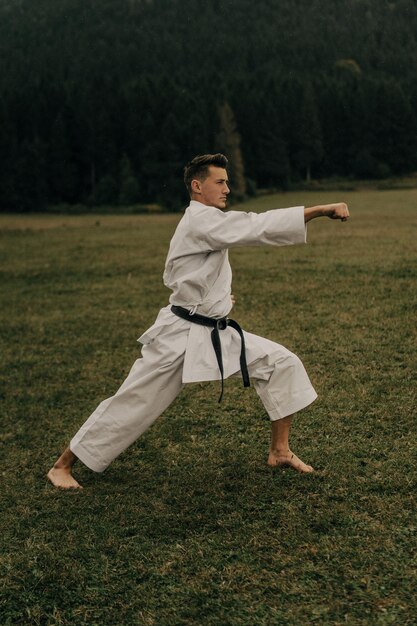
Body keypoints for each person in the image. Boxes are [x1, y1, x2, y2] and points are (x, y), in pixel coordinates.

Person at [48, 153, 349, 489]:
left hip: (214, 330)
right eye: (219, 182)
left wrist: (219, 301)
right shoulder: (201, 221)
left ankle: (279, 451)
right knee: (135, 400)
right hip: (179, 335)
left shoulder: (206, 221)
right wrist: (319, 210)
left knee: (281, 363)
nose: (227, 189)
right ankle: (62, 465)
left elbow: (196, 274)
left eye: (227, 182)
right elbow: (256, 227)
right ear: (197, 186)